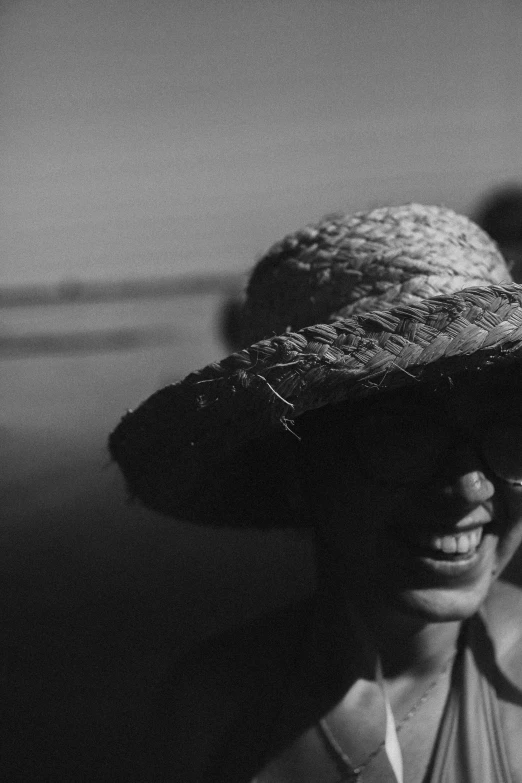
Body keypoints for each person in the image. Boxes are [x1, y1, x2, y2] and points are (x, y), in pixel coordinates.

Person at [109, 203, 522, 782]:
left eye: (508, 430)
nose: (470, 486)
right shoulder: (215, 710)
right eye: (407, 432)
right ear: (297, 460)